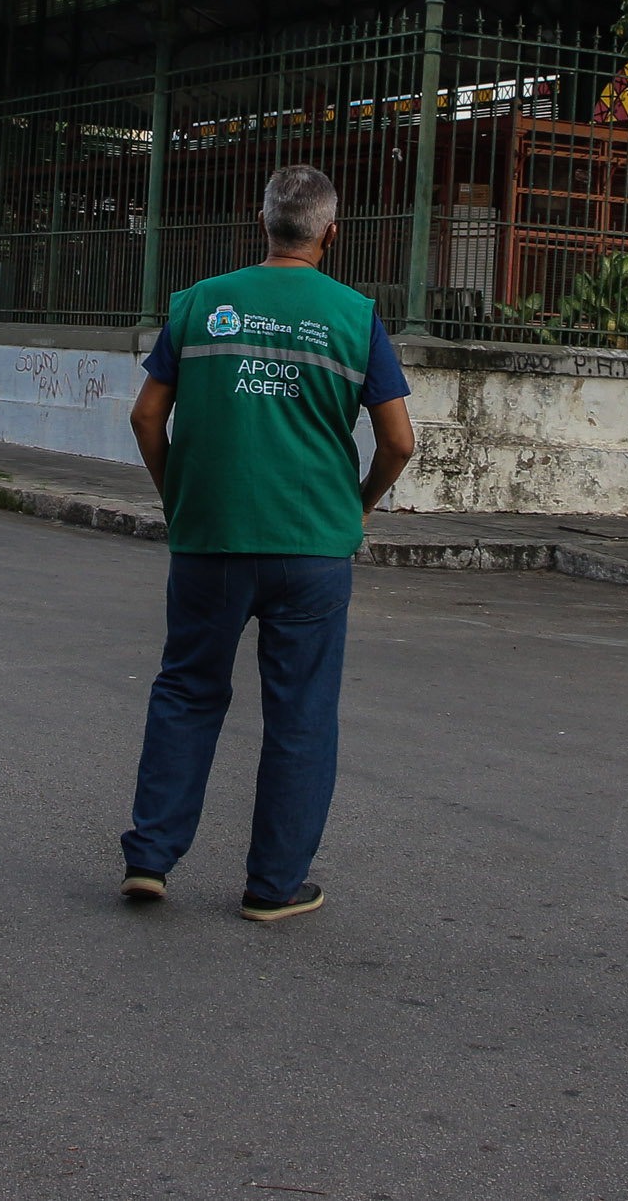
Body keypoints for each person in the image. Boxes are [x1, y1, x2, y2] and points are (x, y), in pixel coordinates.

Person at [119, 165, 415, 921]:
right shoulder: (354, 315)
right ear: (329, 233)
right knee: (300, 713)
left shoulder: (199, 303)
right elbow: (399, 442)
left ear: (263, 225)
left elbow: (145, 418)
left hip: (210, 537)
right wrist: (357, 510)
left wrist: (176, 493)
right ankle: (273, 885)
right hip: (312, 546)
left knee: (186, 691)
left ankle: (150, 859)